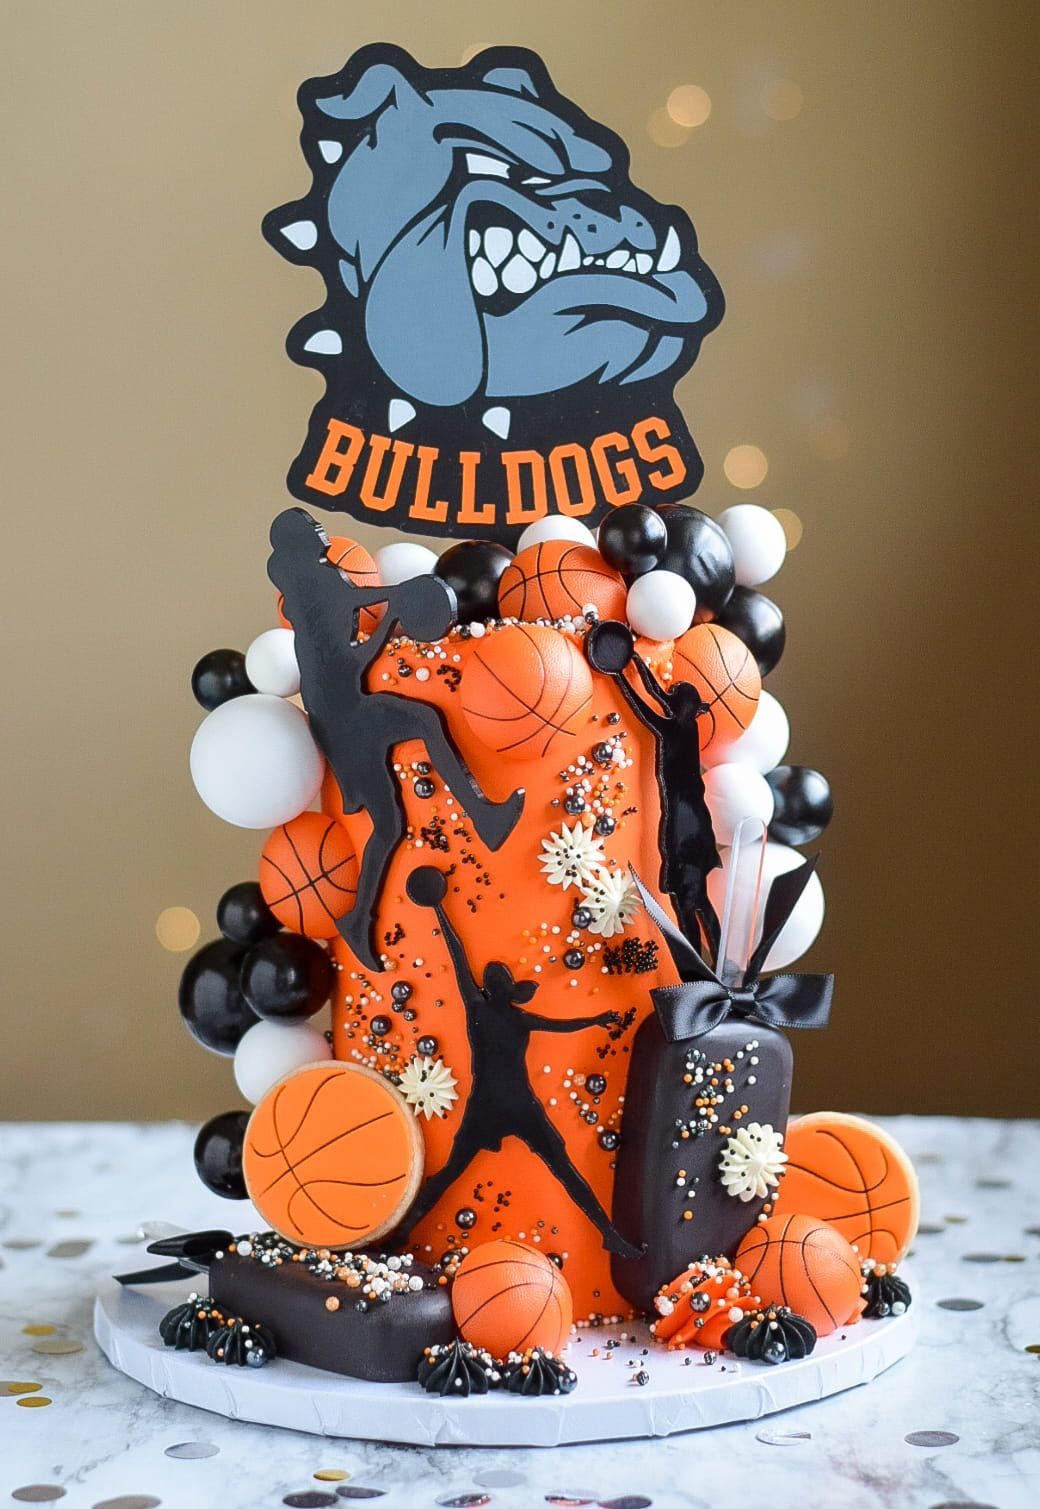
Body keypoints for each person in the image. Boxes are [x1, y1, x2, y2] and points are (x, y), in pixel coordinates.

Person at [268, 508, 523, 968]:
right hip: (345, 717)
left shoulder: (313, 588)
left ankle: (361, 918)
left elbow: (358, 630)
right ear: (299, 542)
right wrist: (398, 604)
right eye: (313, 530)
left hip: (343, 709)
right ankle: (482, 816)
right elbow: (354, 637)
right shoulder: (315, 588)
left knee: (389, 822)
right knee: (422, 728)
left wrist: (394, 609)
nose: (323, 534)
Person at [398, 866, 643, 1260]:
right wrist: (440, 910)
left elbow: (460, 960)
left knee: (471, 1171)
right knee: (556, 1167)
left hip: (495, 1104)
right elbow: (559, 1024)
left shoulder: (482, 1009)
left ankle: (608, 1234)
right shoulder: (508, 1015)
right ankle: (405, 1228)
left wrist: (439, 910)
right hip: (510, 1104)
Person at [586, 620, 719, 955]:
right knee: (700, 899)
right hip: (697, 820)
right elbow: (658, 694)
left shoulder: (671, 730)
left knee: (686, 902)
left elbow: (642, 707)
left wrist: (619, 677)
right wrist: (632, 659)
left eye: (674, 698)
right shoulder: (686, 726)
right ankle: (714, 958)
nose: (667, 698)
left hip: (681, 825)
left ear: (680, 706)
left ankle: (693, 963)